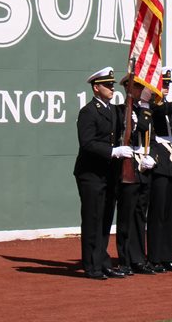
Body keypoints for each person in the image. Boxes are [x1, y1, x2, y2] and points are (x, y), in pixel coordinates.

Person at [73, 67, 133, 279]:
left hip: (108, 173)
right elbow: (87, 143)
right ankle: (91, 266)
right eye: (107, 85)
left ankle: (102, 262)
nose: (111, 88)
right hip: (91, 173)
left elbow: (126, 119)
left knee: (106, 219)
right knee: (92, 219)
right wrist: (113, 151)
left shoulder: (113, 110)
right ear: (96, 88)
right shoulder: (88, 112)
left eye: (112, 85)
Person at [114, 75, 155, 275]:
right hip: (128, 166)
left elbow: (150, 136)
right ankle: (125, 260)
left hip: (143, 167)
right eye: (138, 86)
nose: (142, 90)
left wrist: (152, 157)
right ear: (128, 88)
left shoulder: (145, 110)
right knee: (126, 216)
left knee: (140, 214)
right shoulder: (120, 111)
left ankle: (139, 258)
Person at [146, 69, 172, 273]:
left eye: (168, 84)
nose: (166, 88)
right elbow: (160, 113)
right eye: (163, 84)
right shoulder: (154, 107)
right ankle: (154, 257)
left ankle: (168, 256)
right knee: (158, 212)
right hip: (161, 162)